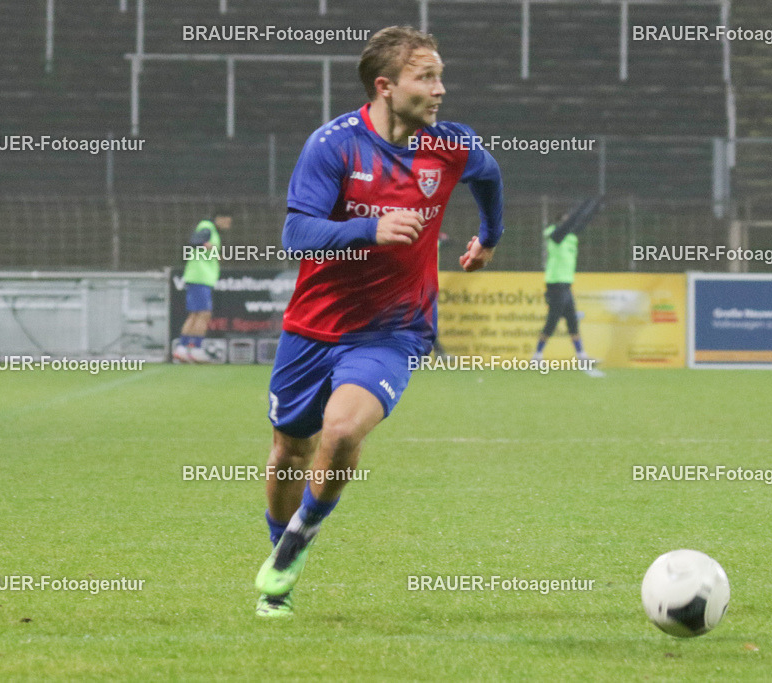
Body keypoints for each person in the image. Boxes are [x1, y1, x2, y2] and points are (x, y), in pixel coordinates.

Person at [254, 25, 504, 618]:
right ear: (385, 86)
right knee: (290, 451)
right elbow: (296, 233)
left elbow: (489, 177)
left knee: (342, 432)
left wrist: (489, 238)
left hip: (395, 329)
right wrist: (371, 228)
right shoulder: (334, 146)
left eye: (441, 76)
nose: (440, 89)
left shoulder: (451, 145)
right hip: (313, 327)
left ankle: (296, 545)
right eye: (426, 77)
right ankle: (279, 566)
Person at [532, 196, 602, 364]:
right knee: (552, 321)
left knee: (572, 321)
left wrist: (596, 205)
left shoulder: (571, 237)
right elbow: (569, 224)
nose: (568, 221)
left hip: (566, 285)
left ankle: (581, 355)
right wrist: (581, 206)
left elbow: (582, 222)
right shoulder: (555, 235)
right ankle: (537, 355)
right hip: (556, 284)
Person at [173, 208, 232, 363]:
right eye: (227, 221)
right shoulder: (207, 227)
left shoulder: (211, 230)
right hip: (200, 276)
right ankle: (195, 348)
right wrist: (207, 246)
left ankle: (183, 349)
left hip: (200, 277)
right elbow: (195, 242)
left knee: (195, 314)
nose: (228, 225)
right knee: (203, 314)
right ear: (220, 218)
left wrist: (215, 254)